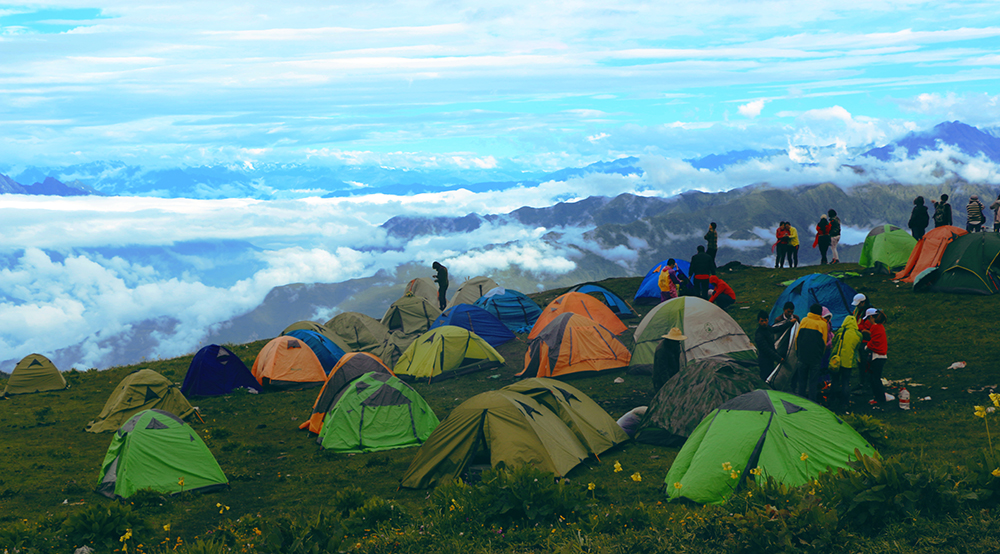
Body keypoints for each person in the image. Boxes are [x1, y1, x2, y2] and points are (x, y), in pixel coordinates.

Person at [793, 303, 828, 402]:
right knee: (813, 382)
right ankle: (812, 402)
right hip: (815, 358)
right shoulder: (823, 324)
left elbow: (797, 338)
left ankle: (801, 401)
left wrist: (798, 352)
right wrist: (820, 355)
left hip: (802, 356)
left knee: (802, 381)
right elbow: (824, 343)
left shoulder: (804, 320)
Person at [830, 313, 862, 408]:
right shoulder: (858, 335)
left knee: (835, 381)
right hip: (848, 362)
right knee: (846, 382)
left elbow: (833, 342)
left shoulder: (840, 331)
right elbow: (857, 347)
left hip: (837, 361)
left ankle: (832, 400)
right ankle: (845, 402)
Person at [865, 310, 889, 407]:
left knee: (875, 379)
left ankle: (879, 398)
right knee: (876, 378)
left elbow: (874, 341)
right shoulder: (880, 327)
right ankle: (879, 397)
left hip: (877, 356)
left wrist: (867, 347)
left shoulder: (875, 327)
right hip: (882, 356)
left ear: (872, 317)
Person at [653, 327, 686, 393]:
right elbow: (662, 370)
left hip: (673, 374)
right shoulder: (662, 350)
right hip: (660, 379)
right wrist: (668, 384)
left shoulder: (676, 346)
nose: (678, 342)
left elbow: (677, 362)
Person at [755, 310, 783, 382]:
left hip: (770, 360)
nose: (764, 323)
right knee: (766, 379)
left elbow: (776, 329)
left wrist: (789, 323)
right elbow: (767, 349)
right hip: (764, 360)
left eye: (765, 320)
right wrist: (778, 358)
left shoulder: (767, 328)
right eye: (762, 321)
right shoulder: (759, 335)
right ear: (759, 321)